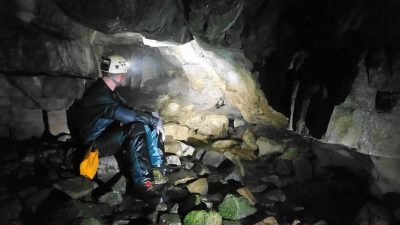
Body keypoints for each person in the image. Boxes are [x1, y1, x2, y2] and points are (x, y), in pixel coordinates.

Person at [67, 55, 176, 191]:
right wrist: (154, 121)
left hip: (105, 137)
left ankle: (160, 173)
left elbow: (130, 109)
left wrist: (151, 117)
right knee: (137, 127)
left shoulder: (108, 92)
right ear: (119, 75)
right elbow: (126, 114)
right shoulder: (98, 94)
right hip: (94, 145)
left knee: (146, 123)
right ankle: (144, 184)